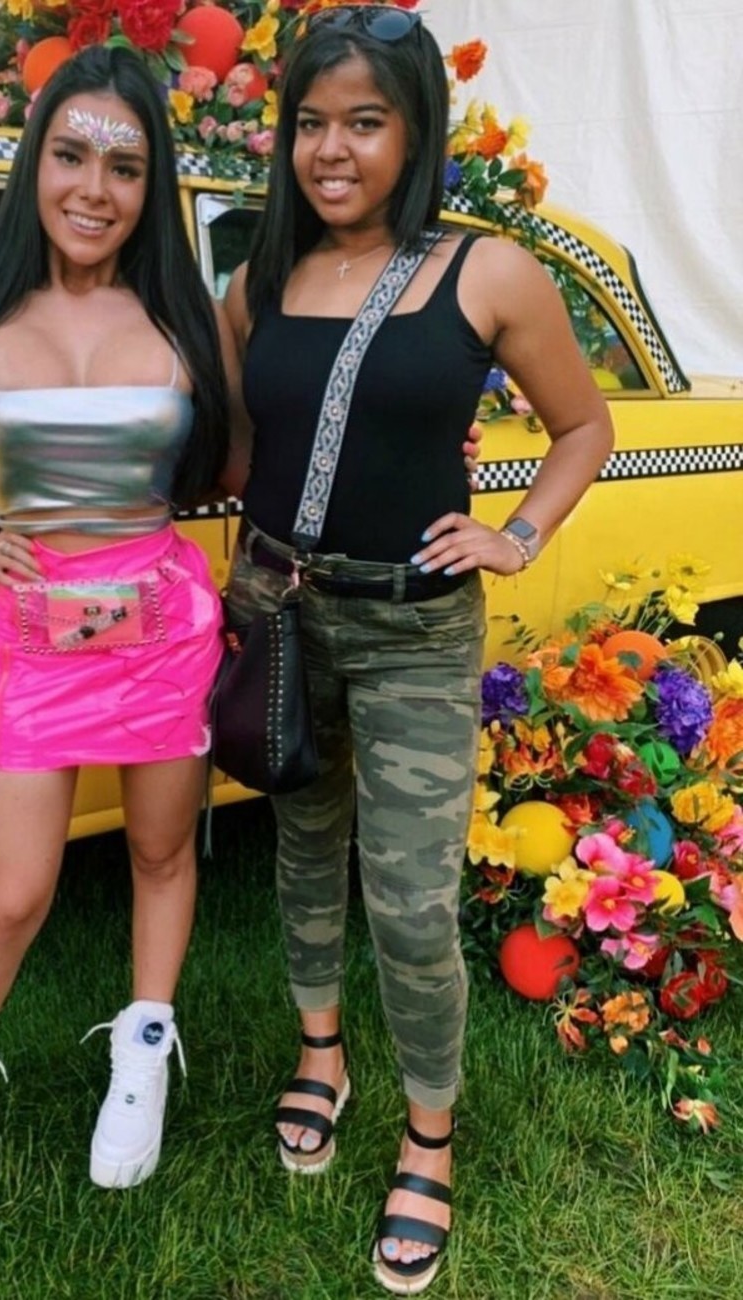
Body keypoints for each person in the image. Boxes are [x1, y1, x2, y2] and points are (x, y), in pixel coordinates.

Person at [221, 6, 614, 1294]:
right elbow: (239, 448)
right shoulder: (257, 282)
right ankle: (321, 1053)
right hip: (283, 611)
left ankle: (429, 1135)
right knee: (302, 847)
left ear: (415, 134)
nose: (331, 150)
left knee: (407, 898)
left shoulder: (486, 273)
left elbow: (582, 426)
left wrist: (518, 535)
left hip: (414, 629)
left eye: (364, 123)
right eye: (310, 124)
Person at [0, 44, 238, 1231]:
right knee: (18, 887)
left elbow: (243, 457)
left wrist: (425, 442)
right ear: (36, 163)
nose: (95, 187)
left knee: (161, 852)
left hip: (163, 632)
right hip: (35, 637)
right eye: (72, 154)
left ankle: (144, 1047)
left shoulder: (185, 318)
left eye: (124, 166)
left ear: (150, 183)